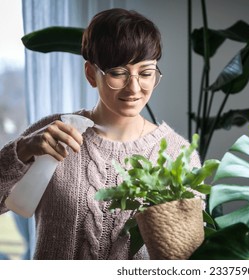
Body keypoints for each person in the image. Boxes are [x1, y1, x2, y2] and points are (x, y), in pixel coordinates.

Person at [0, 8, 201, 260]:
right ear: (90, 74)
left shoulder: (177, 153)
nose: (134, 87)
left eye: (146, 73)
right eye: (118, 73)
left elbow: (189, 256)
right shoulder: (53, 133)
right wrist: (22, 149)